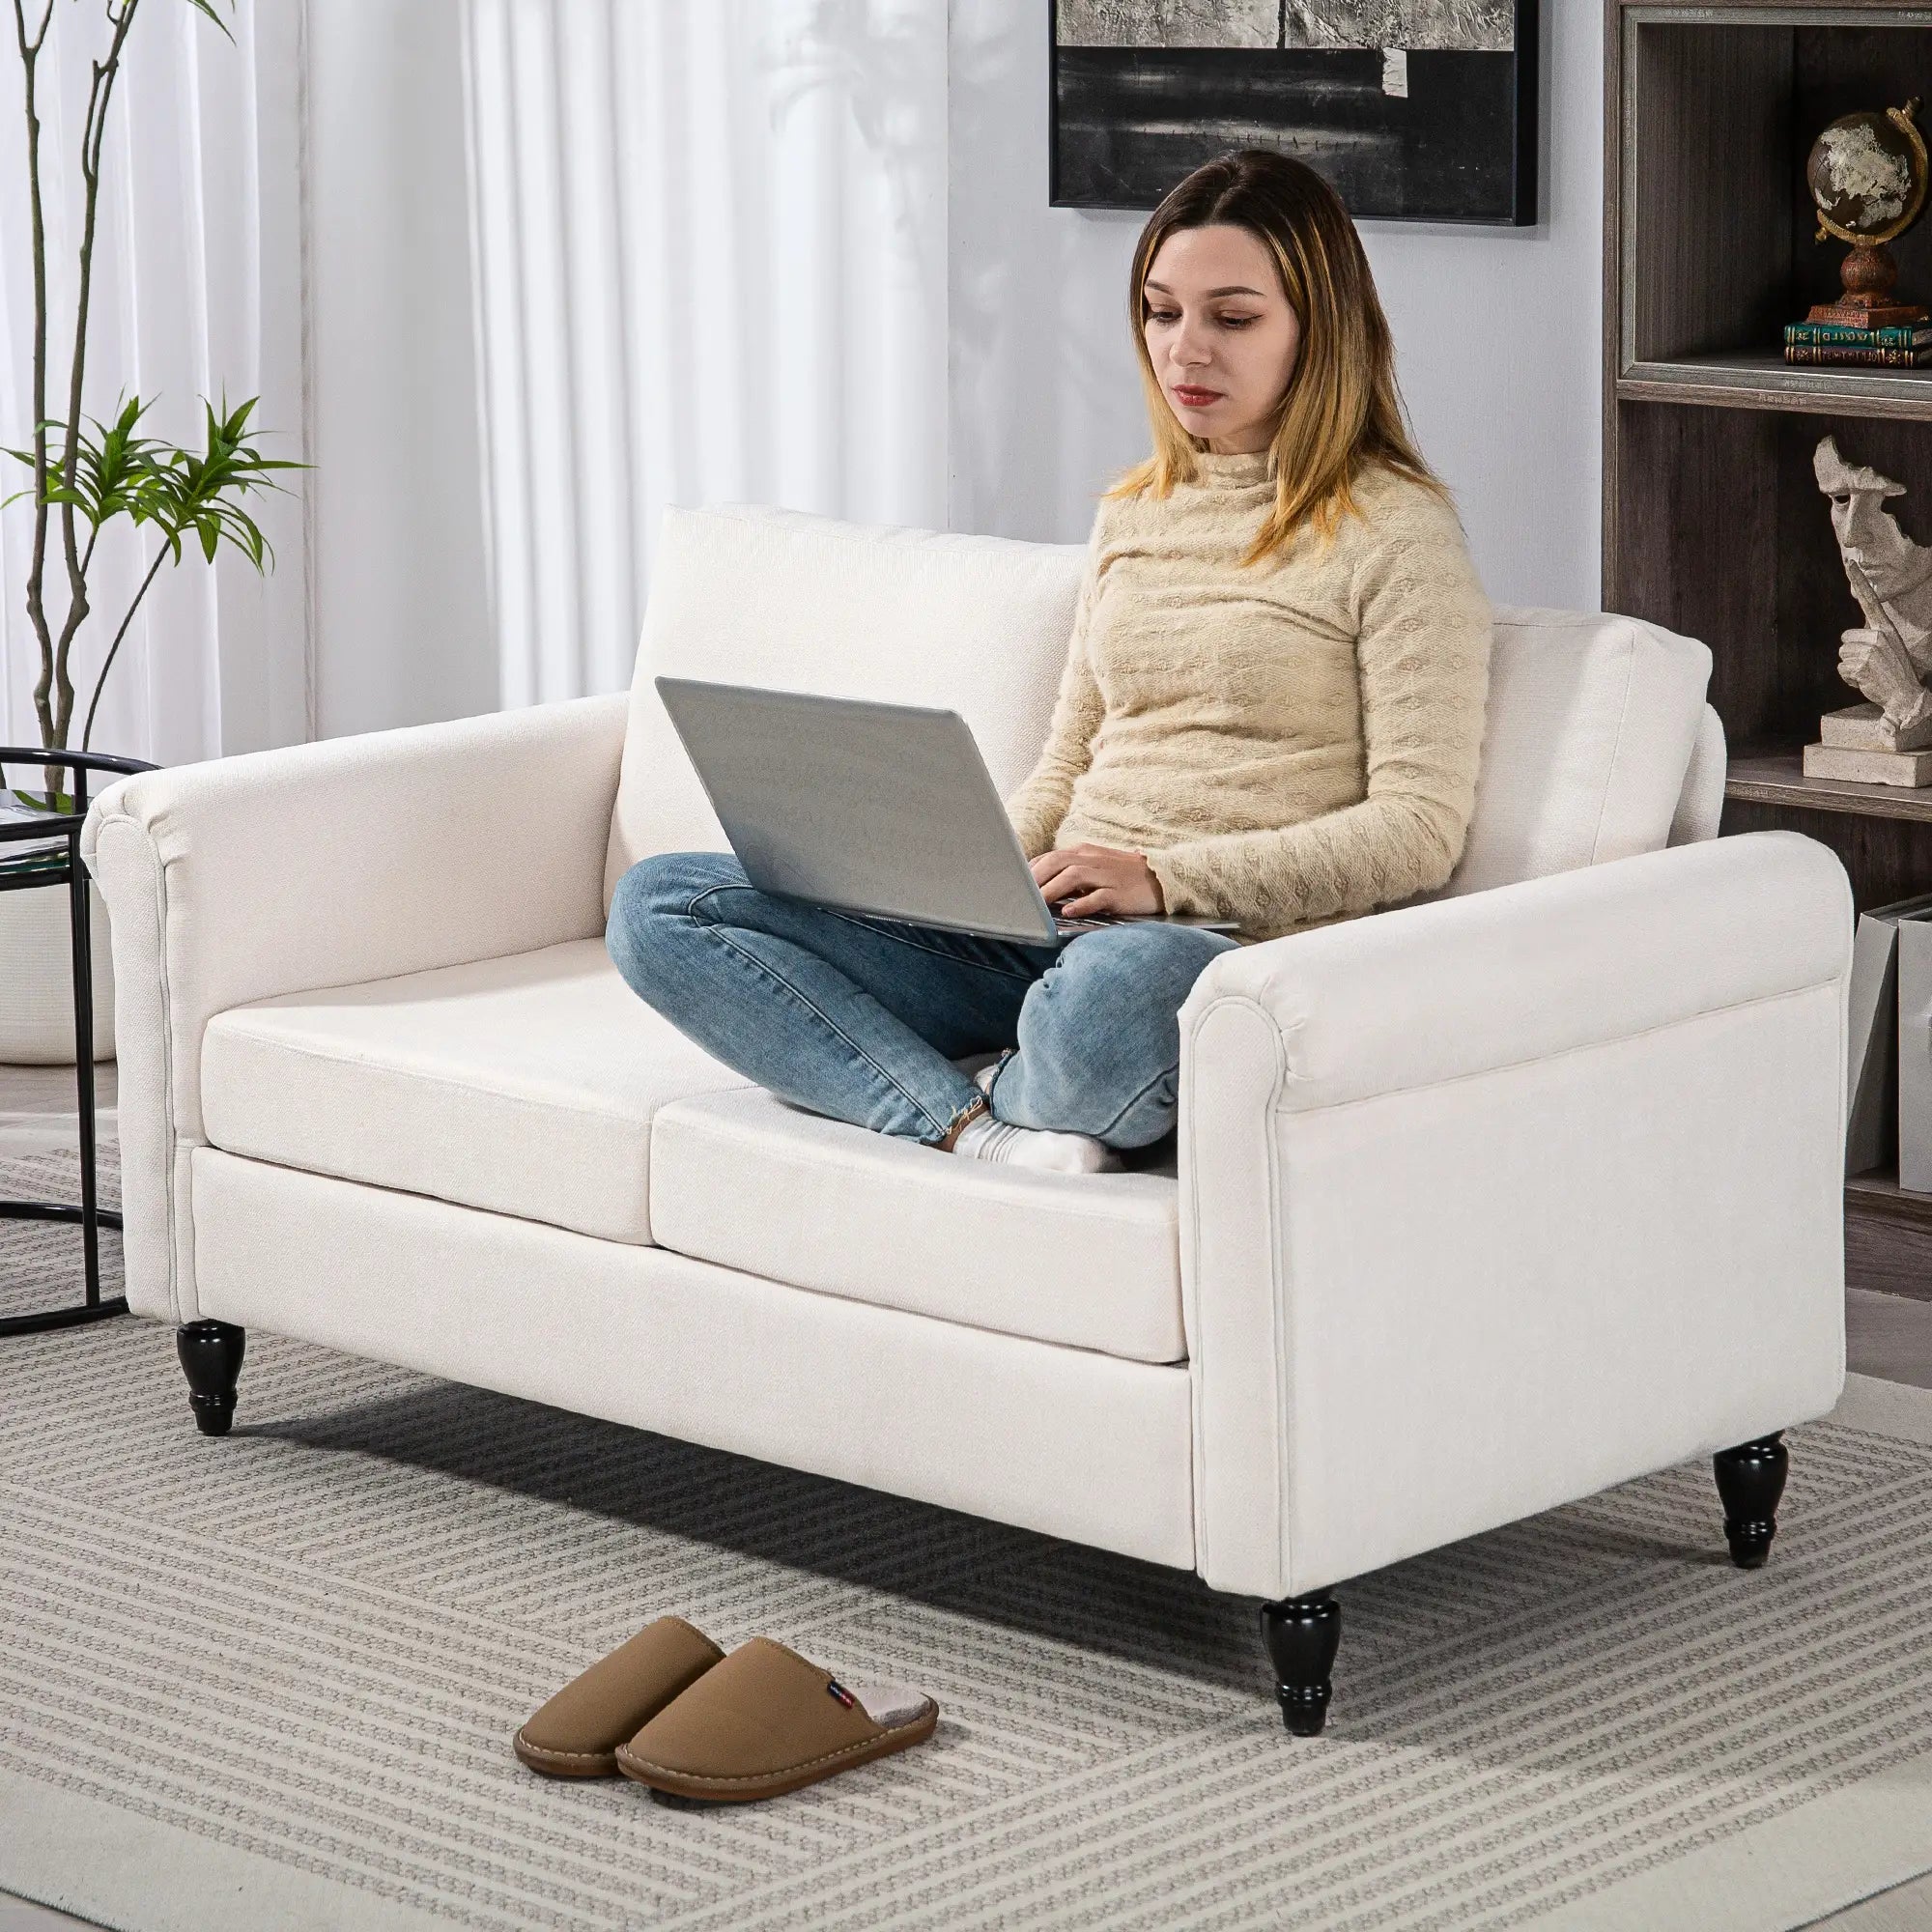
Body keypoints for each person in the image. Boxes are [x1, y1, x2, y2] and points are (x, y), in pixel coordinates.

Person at [606, 148, 1492, 1176]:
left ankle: (964, 1080)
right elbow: (1069, 757)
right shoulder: (1132, 514)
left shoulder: (1395, 531)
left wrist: (1160, 878)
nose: (1183, 349)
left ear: (1319, 325)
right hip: (1034, 927)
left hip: (1201, 943)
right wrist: (958, 876)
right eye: (1160, 311)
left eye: (1231, 317)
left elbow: (1416, 830)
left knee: (1110, 1002)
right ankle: (970, 1125)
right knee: (663, 902)